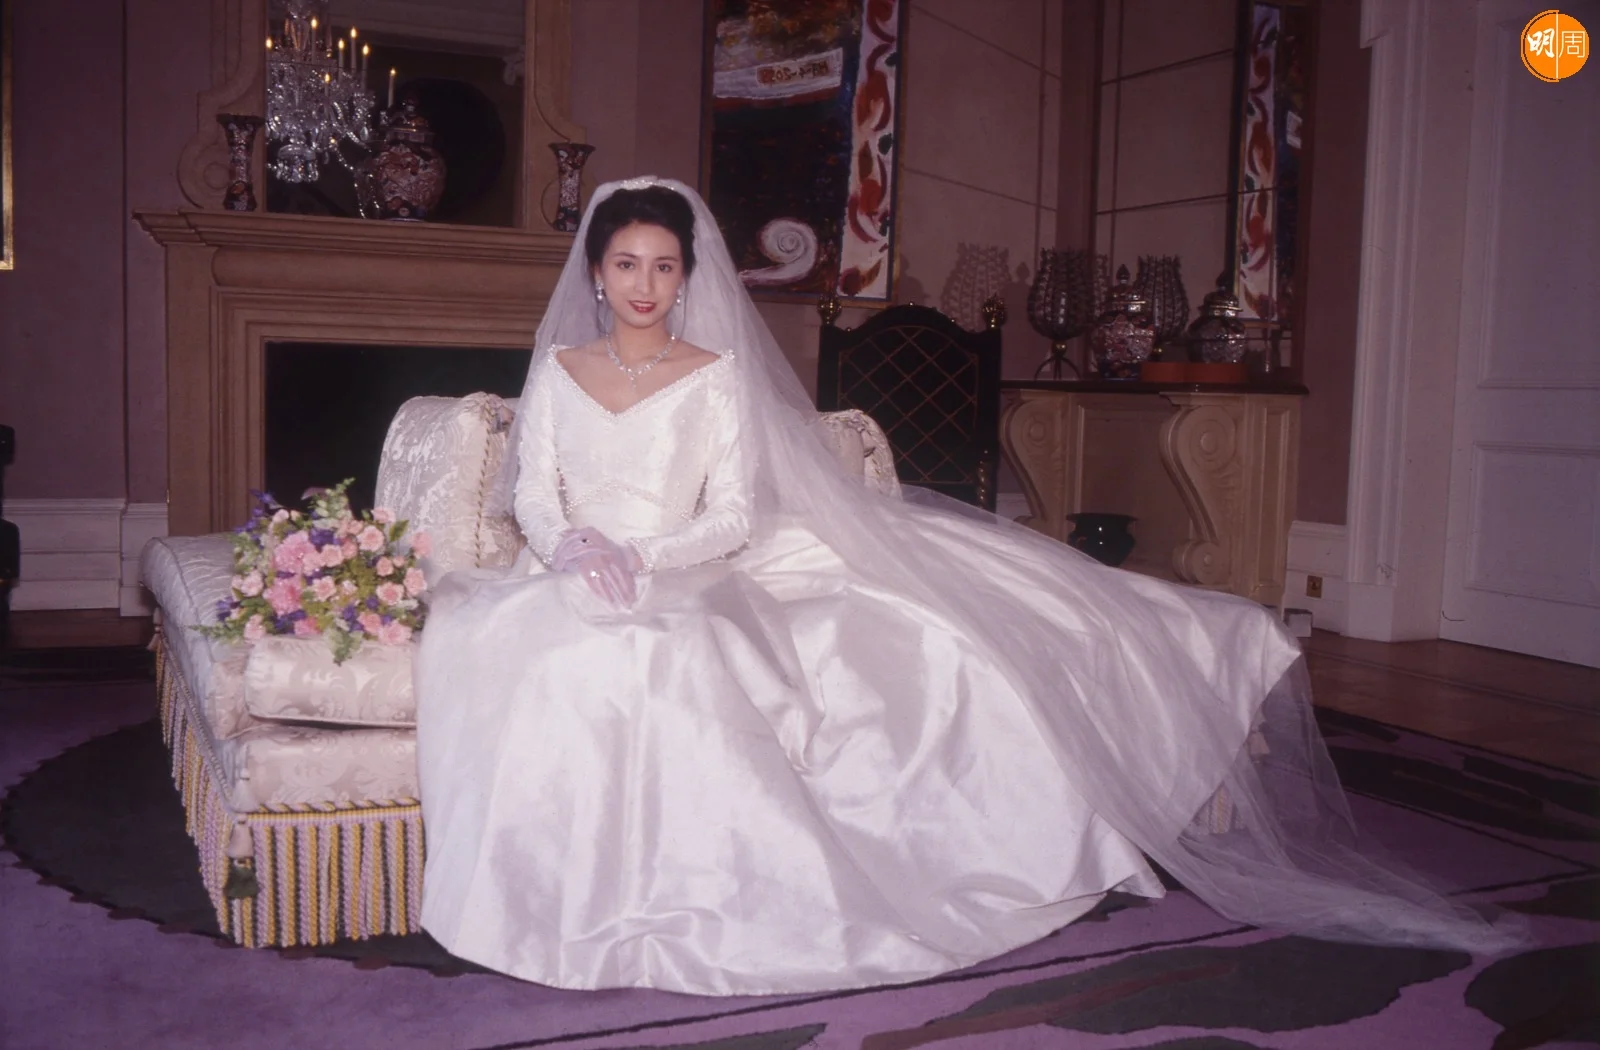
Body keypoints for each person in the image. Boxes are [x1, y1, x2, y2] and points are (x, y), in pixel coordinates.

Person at [414, 177, 1518, 996]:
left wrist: (647, 558)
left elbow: (733, 515)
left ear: (686, 277)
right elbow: (535, 491)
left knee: (709, 647)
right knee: (552, 651)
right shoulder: (558, 373)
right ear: (595, 273)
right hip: (573, 567)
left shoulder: (714, 377)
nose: (645, 287)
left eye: (665, 267)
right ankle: (576, 904)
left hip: (687, 569)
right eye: (626, 266)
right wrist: (574, 547)